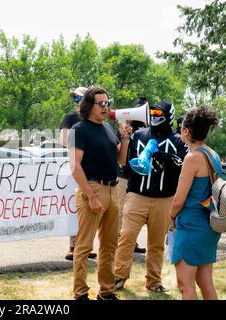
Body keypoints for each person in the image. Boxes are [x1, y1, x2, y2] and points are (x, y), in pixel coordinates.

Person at [114, 99, 188, 293]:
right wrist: (138, 165)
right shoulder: (138, 136)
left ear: (169, 116)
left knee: (156, 244)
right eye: (153, 113)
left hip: (165, 199)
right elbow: (125, 165)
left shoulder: (179, 140)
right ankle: (119, 276)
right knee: (127, 237)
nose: (155, 117)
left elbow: (183, 166)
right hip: (137, 195)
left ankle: (153, 282)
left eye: (159, 114)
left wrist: (163, 157)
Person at [68, 86, 131, 300]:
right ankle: (80, 293)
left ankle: (106, 291)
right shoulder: (79, 129)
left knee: (109, 246)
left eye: (107, 103)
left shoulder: (107, 129)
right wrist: (91, 196)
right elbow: (75, 167)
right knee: (84, 246)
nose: (106, 107)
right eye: (101, 103)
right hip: (92, 190)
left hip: (113, 189)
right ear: (88, 105)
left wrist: (125, 139)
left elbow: (121, 162)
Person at [169, 107, 221, 300]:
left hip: (191, 226)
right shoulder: (213, 155)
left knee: (185, 285)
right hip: (210, 226)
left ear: (186, 131)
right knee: (206, 282)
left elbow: (179, 200)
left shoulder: (192, 158)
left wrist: (171, 217)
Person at [59, 86, 97, 261]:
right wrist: (83, 146)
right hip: (76, 168)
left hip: (92, 170)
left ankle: (86, 245)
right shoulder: (71, 117)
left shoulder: (95, 119)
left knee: (89, 209)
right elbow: (64, 140)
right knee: (75, 208)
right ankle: (73, 246)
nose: (76, 102)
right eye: (74, 98)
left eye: (79, 98)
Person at [116, 97, 148, 255]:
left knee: (133, 211)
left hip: (135, 175)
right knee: (121, 210)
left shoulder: (147, 130)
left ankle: (131, 241)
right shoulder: (124, 127)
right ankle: (118, 241)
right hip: (122, 174)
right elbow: (120, 149)